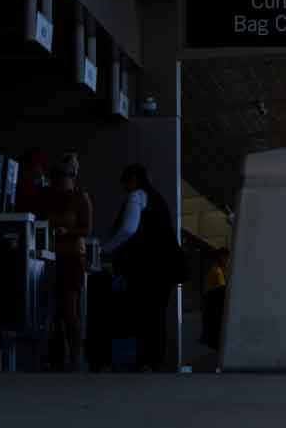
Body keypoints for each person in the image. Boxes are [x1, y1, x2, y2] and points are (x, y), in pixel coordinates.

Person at [102, 163, 182, 372]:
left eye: (126, 182)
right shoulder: (159, 200)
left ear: (134, 179)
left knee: (143, 312)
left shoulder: (137, 195)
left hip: (148, 266)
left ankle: (144, 361)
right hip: (167, 265)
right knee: (156, 314)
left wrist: (106, 249)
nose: (124, 188)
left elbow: (129, 228)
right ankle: (153, 361)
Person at [42, 152, 93, 371]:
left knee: (68, 310)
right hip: (52, 257)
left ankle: (75, 357)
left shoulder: (81, 197)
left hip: (72, 257)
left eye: (62, 180)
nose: (58, 185)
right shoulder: (49, 197)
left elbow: (87, 228)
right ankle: (57, 357)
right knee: (54, 310)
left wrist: (67, 231)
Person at [199, 247, 230, 361]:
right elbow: (222, 291)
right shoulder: (217, 272)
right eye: (227, 258)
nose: (228, 261)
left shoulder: (217, 271)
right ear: (222, 258)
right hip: (214, 311)